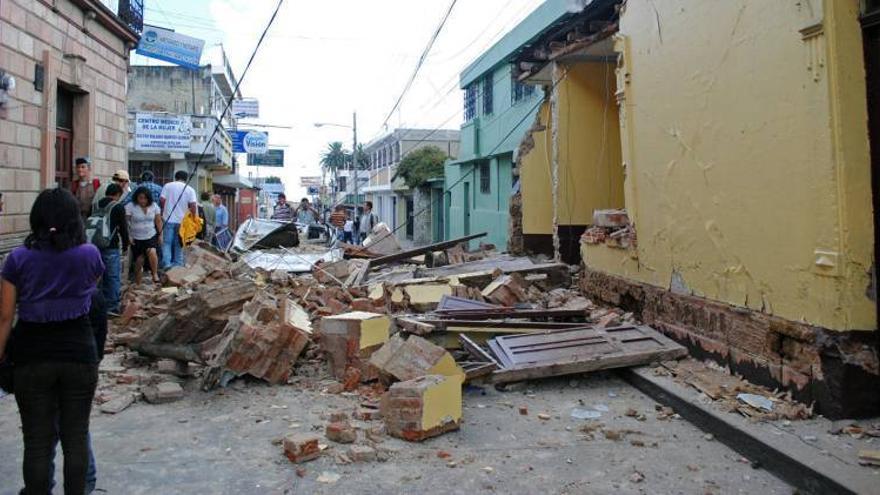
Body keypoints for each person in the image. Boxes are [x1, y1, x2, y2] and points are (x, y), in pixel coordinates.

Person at [0, 188, 105, 494]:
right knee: (76, 438)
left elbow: (5, 317)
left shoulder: (17, 258)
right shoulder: (89, 255)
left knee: (37, 443)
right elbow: (91, 294)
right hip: (79, 354)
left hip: (32, 357)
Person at [95, 183, 129, 315]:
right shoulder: (118, 206)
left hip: (94, 245)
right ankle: (112, 306)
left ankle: (97, 304)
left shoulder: (96, 205)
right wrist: (125, 245)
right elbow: (123, 228)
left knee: (97, 276)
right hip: (110, 246)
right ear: (118, 195)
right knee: (113, 276)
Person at [159, 170, 197, 268]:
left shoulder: (167, 186)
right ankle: (178, 265)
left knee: (167, 243)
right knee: (179, 243)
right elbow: (193, 205)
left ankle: (166, 264)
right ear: (186, 179)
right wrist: (193, 218)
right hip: (182, 222)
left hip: (168, 219)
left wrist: (164, 210)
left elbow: (162, 200)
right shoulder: (190, 189)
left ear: (175, 177)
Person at [125, 186, 162, 285]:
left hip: (151, 234)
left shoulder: (154, 206)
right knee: (139, 260)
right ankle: (138, 283)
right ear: (136, 197)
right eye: (140, 198)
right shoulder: (130, 206)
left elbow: (158, 221)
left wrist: (160, 234)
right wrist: (128, 236)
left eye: (145, 198)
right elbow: (126, 222)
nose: (142, 200)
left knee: (152, 251)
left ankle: (155, 274)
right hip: (136, 237)